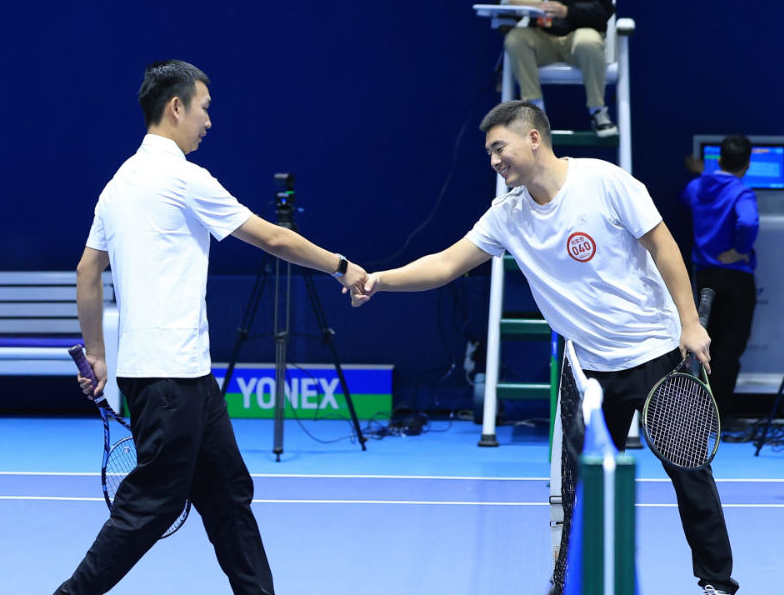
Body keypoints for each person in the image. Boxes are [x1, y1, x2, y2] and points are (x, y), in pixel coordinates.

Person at [349, 100, 738, 595]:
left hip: (658, 353)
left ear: (533, 138)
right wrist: (379, 280)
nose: (494, 160)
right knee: (578, 489)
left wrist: (690, 323)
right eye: (489, 153)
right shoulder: (507, 216)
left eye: (499, 148)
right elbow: (446, 264)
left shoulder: (605, 181)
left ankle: (716, 583)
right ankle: (570, 582)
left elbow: (663, 245)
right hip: (589, 369)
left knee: (690, 474)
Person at [57, 60, 367, 595]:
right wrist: (341, 266)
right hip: (169, 380)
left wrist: (98, 353)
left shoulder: (117, 184)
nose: (208, 121)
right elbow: (273, 238)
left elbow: (87, 271)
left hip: (187, 378)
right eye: (203, 108)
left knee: (228, 496)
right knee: (149, 507)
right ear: (176, 107)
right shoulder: (186, 179)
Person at [682, 135, 759, 419]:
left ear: (719, 159)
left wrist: (703, 174)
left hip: (705, 276)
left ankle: (699, 411)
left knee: (705, 344)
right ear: (747, 165)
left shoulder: (696, 186)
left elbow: (688, 199)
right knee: (729, 346)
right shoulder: (742, 193)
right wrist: (740, 251)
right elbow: (748, 221)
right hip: (736, 278)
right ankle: (719, 413)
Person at [503, 0, 617, 138]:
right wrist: (511, 0)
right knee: (515, 40)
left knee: (589, 42)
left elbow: (604, 8)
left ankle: (597, 111)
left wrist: (568, 11)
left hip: (579, 38)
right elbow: (504, 6)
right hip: (542, 39)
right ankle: (535, 114)